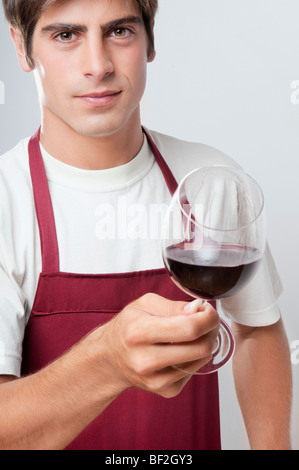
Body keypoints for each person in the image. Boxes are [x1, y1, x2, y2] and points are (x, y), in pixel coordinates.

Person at [0, 0, 292, 450]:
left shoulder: (209, 178)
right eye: (65, 35)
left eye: (119, 31)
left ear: (149, 36)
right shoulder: (6, 201)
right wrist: (107, 361)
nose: (97, 66)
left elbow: (255, 330)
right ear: (22, 48)